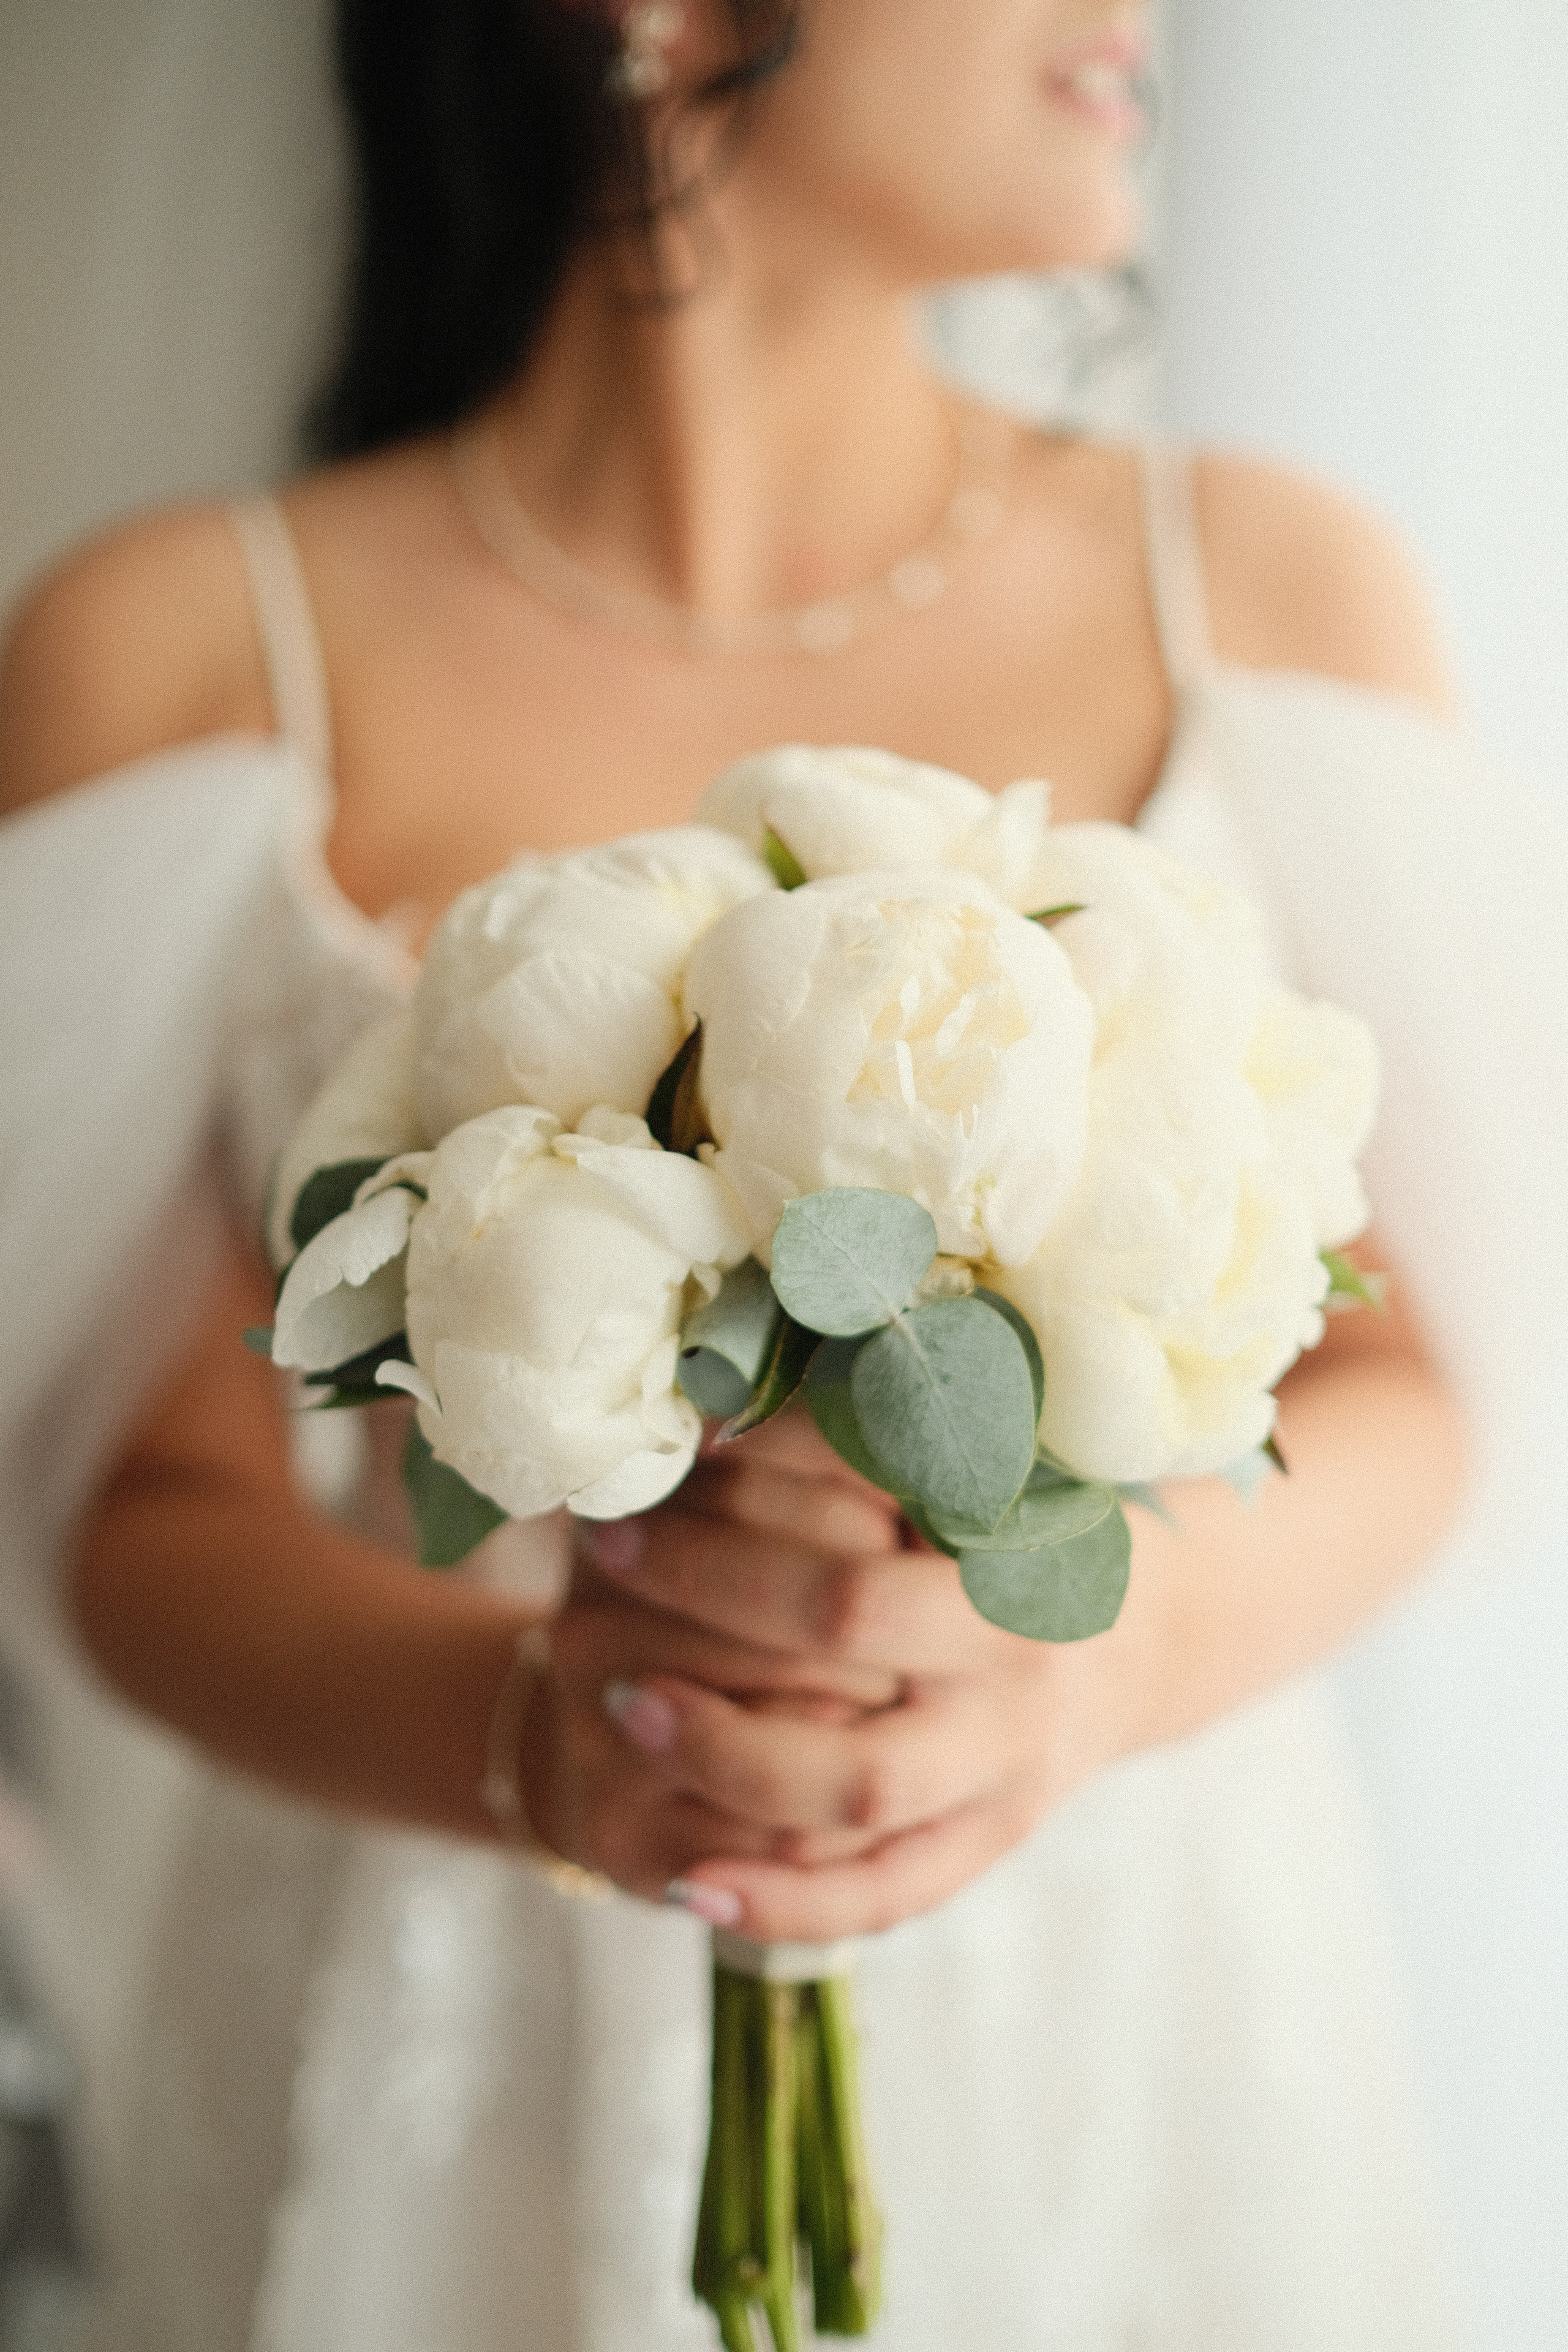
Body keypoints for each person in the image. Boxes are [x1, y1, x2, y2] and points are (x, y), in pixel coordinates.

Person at [0, 2, 1562, 2345]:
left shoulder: (1266, 591)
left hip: (1121, 2006)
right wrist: (551, 1749)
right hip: (440, 2029)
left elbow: (1415, 1376)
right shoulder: (183, 649)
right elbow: (137, 1494)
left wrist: (1091, 1673)